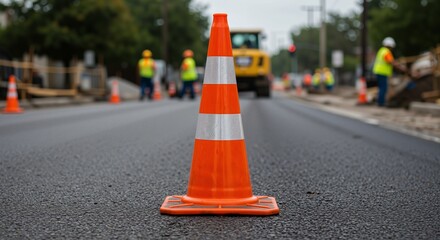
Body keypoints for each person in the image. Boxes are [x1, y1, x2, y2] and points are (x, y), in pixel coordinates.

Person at [372, 37, 406, 107]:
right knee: (383, 88)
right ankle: (381, 103)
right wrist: (401, 68)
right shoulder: (386, 52)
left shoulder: (381, 50)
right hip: (382, 72)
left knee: (381, 87)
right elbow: (391, 62)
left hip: (379, 71)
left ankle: (380, 102)